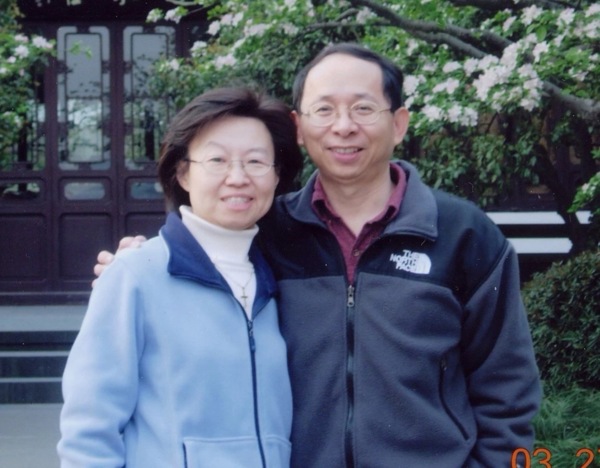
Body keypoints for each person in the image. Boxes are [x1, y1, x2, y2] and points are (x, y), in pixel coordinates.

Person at [95, 43, 542, 467]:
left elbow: (507, 390)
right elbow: (192, 264)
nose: (343, 126)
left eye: (363, 108)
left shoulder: (462, 235)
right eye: (324, 110)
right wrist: (134, 266)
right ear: (299, 127)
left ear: (399, 123)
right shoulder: (264, 233)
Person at [58, 87, 304, 468]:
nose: (238, 177)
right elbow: (88, 432)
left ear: (276, 176)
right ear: (183, 173)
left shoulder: (278, 277)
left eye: (256, 161)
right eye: (217, 160)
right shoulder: (135, 275)